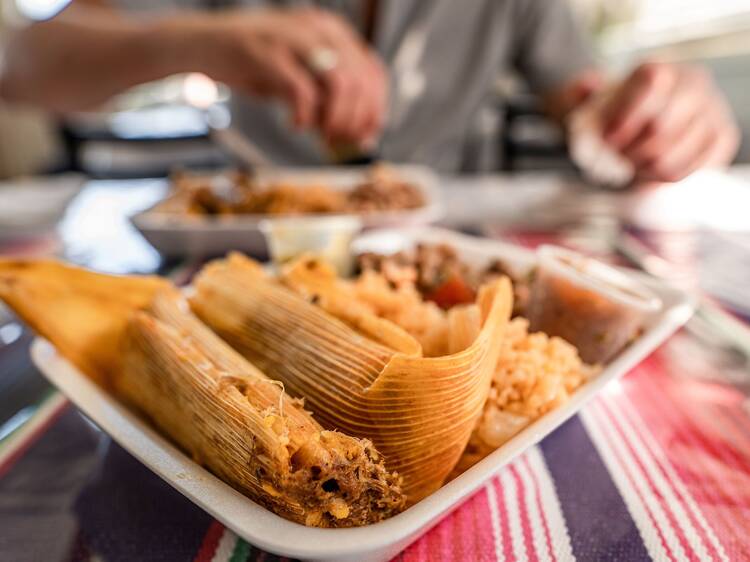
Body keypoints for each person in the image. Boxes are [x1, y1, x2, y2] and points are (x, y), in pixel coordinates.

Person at [0, 0, 740, 179]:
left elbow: (585, 98)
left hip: (449, 242)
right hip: (256, 246)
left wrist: (650, 117)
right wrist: (194, 40)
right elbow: (24, 62)